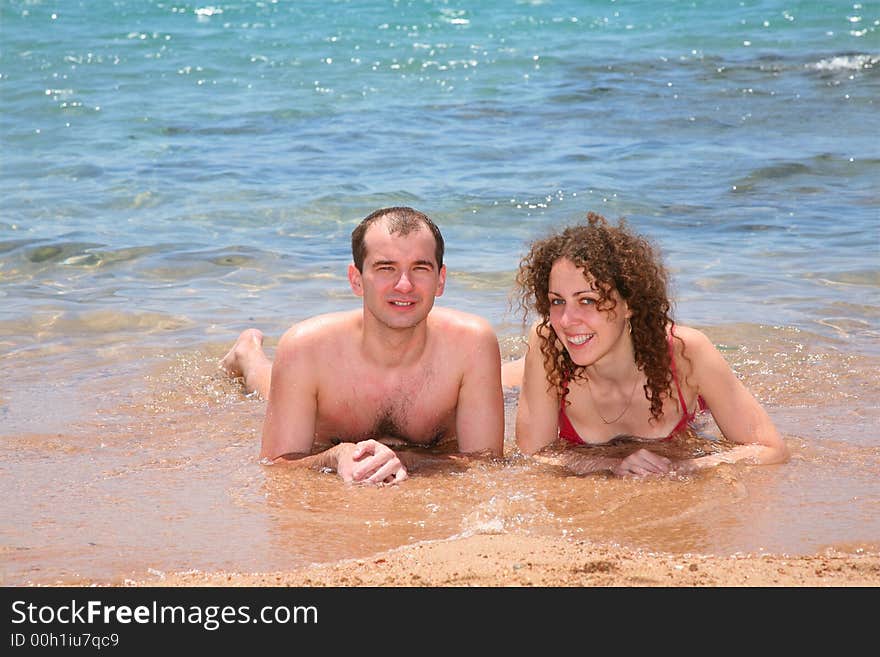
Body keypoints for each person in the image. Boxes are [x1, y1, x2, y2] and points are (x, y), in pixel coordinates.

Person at [221, 207, 505, 484]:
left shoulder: (470, 344)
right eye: (386, 268)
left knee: (509, 383)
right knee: (269, 386)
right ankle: (248, 355)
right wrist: (335, 456)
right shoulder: (306, 348)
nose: (404, 285)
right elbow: (275, 466)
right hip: (314, 374)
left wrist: (405, 459)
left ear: (440, 280)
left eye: (420, 268)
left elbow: (487, 462)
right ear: (356, 280)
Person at [507, 211, 789, 477]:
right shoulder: (548, 342)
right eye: (557, 301)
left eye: (587, 301)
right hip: (558, 363)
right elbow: (532, 455)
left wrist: (684, 468)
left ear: (628, 303)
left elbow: (771, 449)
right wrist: (611, 466)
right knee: (506, 382)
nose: (567, 319)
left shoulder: (687, 351)